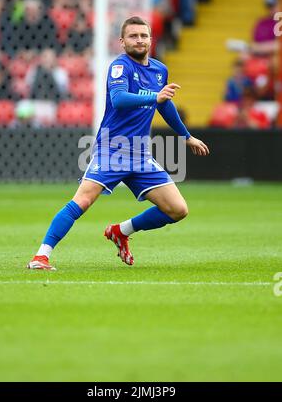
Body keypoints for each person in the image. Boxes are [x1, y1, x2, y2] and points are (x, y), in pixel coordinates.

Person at [27, 16, 209, 271]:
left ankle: (120, 231)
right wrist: (155, 96)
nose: (140, 40)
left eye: (144, 36)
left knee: (178, 209)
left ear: (151, 40)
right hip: (112, 149)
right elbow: (120, 98)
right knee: (82, 201)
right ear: (122, 42)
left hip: (140, 154)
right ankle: (40, 256)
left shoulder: (159, 70)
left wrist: (187, 136)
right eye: (133, 36)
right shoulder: (119, 67)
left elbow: (164, 105)